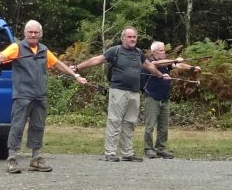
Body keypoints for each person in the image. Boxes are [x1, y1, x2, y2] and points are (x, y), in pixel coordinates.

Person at [0, 20, 87, 173]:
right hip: (22, 95)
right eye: (30, 32)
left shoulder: (43, 50)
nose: (33, 35)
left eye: (36, 32)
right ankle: (12, 159)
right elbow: (1, 57)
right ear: (25, 33)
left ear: (40, 34)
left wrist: (75, 75)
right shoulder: (17, 47)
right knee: (17, 126)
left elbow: (58, 64)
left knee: (38, 126)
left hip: (39, 95)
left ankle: (35, 158)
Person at [72, 28, 170, 162]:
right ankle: (110, 152)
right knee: (114, 121)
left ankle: (127, 153)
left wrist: (161, 75)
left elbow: (149, 66)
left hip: (134, 92)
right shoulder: (115, 51)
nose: (132, 39)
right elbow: (97, 60)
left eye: (134, 37)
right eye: (129, 37)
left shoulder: (138, 53)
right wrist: (77, 67)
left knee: (130, 122)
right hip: (118, 91)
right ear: (123, 38)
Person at [140, 41, 200, 159]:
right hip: (152, 97)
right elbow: (157, 64)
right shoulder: (150, 62)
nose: (164, 53)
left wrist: (191, 68)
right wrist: (174, 60)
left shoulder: (166, 63)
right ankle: (148, 149)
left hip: (165, 98)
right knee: (150, 125)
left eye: (164, 50)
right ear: (154, 52)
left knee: (163, 126)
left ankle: (160, 148)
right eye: (161, 51)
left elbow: (178, 65)